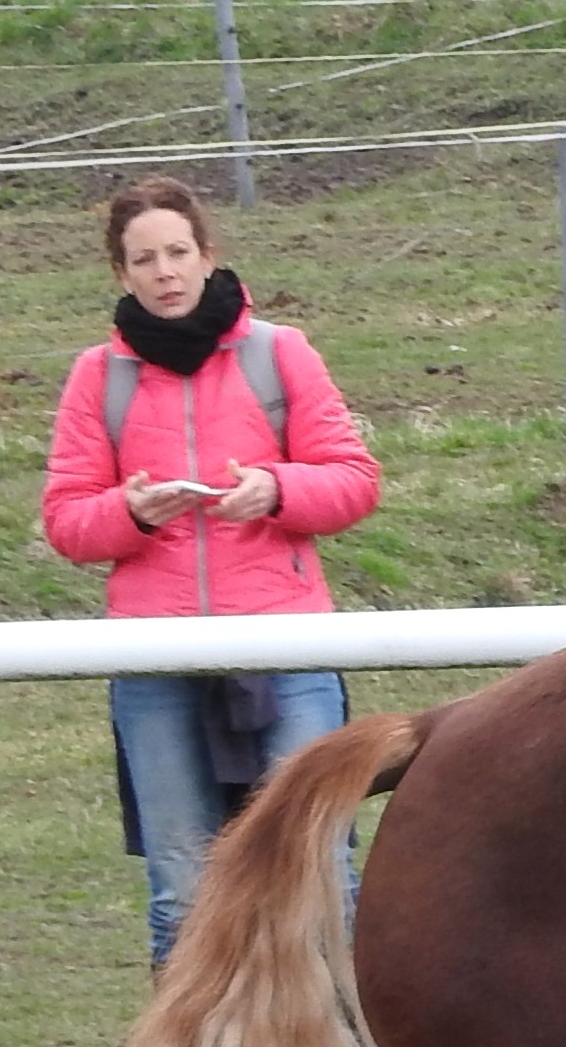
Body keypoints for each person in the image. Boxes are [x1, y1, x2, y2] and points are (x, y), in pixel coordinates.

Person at [42, 175, 381, 971]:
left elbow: (354, 479)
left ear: (207, 255)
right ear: (120, 274)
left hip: (285, 649)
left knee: (322, 874)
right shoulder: (98, 377)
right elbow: (65, 519)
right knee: (180, 893)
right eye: (143, 259)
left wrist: (276, 491)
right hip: (155, 659)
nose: (163, 271)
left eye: (176, 252)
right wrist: (131, 514)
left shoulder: (279, 352)